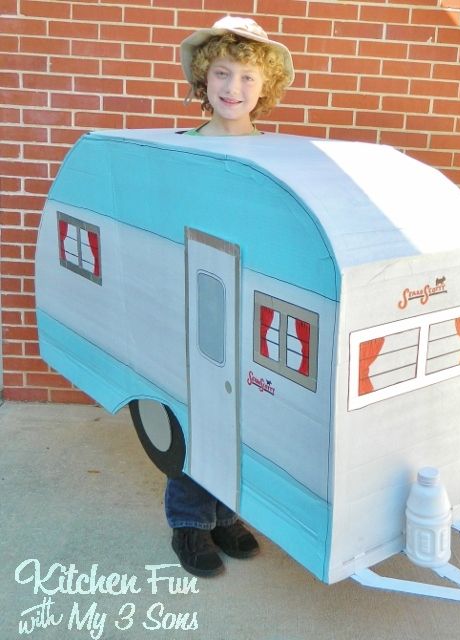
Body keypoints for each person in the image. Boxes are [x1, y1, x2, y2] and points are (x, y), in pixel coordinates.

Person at [166, 16, 295, 578]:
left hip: (246, 299)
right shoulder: (180, 150)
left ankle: (225, 512)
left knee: (242, 412)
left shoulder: (278, 158)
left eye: (247, 76)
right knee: (194, 408)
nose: (233, 88)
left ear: (264, 87)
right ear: (203, 76)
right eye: (222, 72)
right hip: (193, 292)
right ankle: (189, 521)